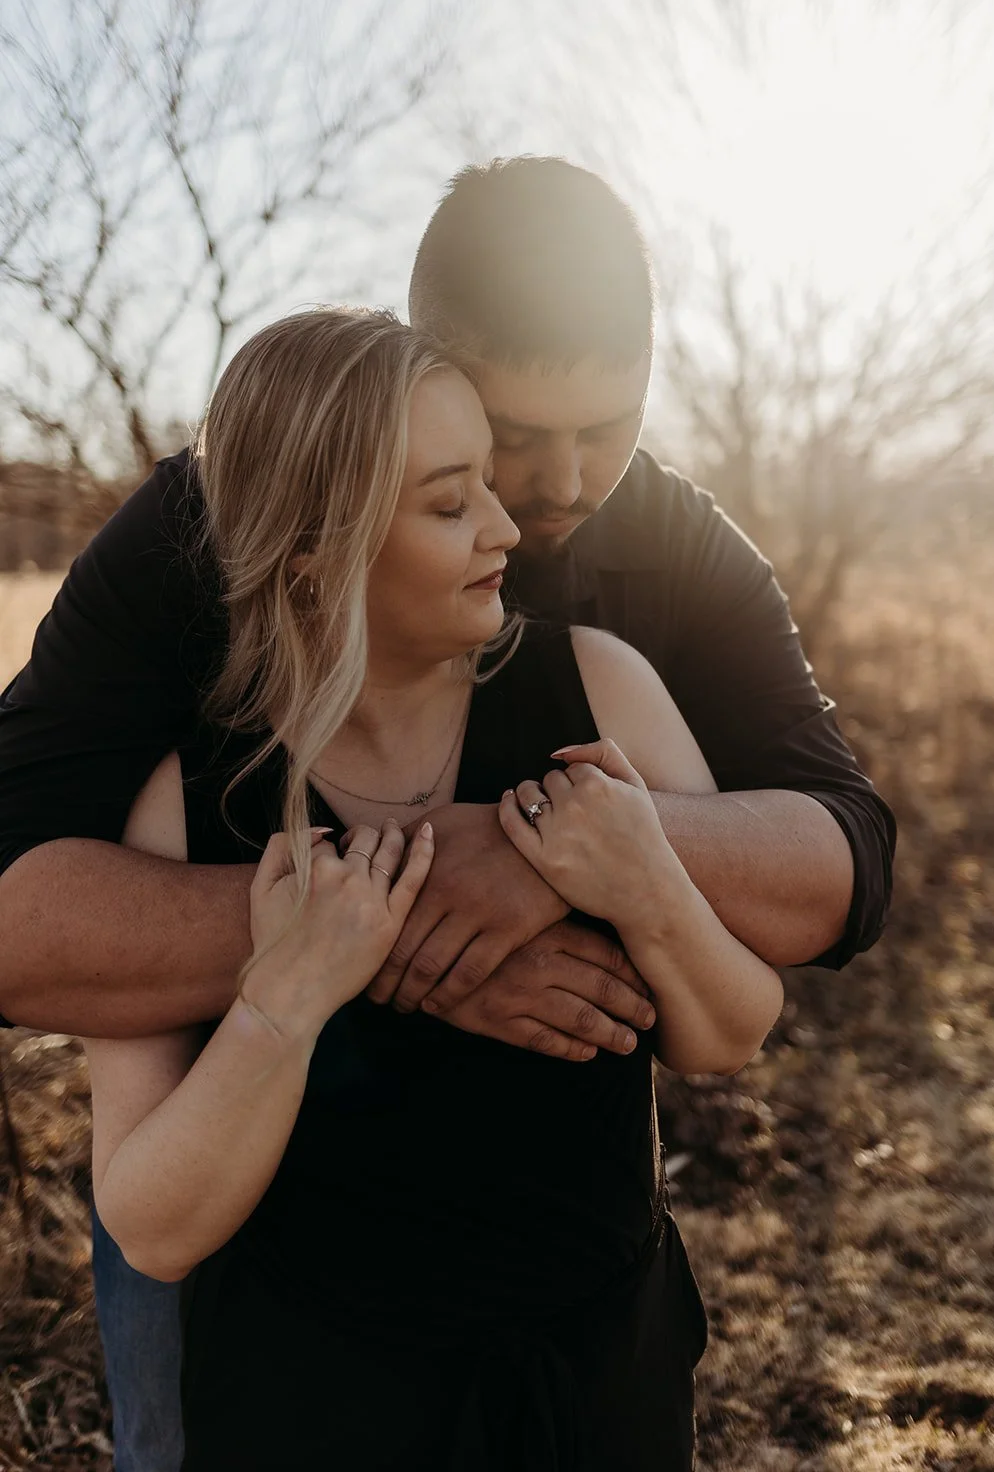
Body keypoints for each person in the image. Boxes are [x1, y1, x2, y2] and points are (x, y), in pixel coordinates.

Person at [0, 157, 895, 1471]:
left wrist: (563, 847)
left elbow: (842, 862)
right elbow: (20, 921)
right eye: (511, 436)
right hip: (268, 1251)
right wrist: (403, 919)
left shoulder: (663, 565)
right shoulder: (211, 530)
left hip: (563, 1293)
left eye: (609, 421)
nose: (557, 484)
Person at [85, 304, 784, 1470]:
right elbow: (151, 1228)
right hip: (309, 1400)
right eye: (450, 503)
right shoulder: (189, 797)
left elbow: (727, 1035)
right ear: (316, 550)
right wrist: (286, 1000)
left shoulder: (599, 692)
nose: (507, 527)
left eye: (488, 490)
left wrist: (646, 880)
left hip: (591, 1378)